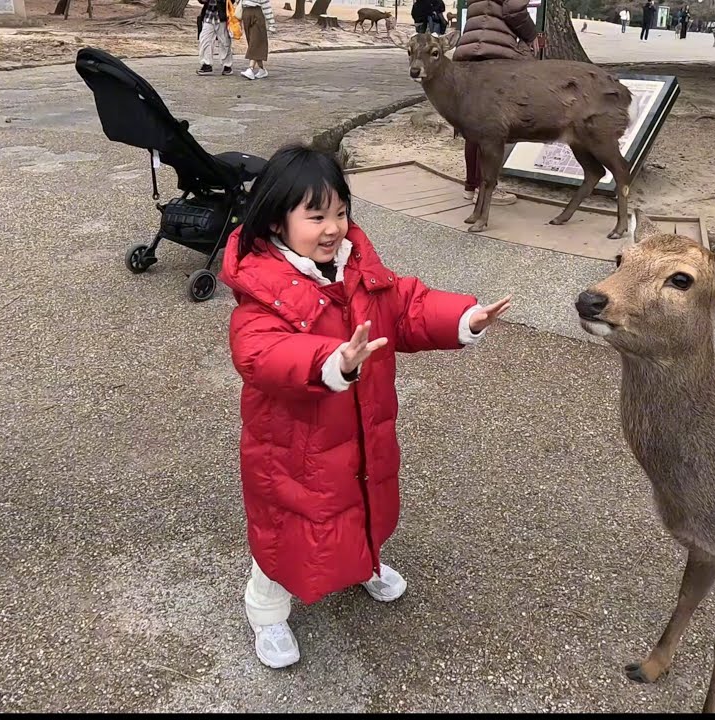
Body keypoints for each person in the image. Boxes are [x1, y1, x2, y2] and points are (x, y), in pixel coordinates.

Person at [218, 144, 513, 669]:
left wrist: (462, 318)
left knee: (362, 502)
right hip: (292, 449)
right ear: (278, 223)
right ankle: (266, 610)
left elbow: (407, 306)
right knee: (289, 530)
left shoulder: (360, 271)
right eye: (315, 216)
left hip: (362, 433)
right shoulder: (264, 292)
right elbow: (260, 352)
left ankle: (364, 563)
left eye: (339, 212)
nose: (332, 227)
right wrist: (334, 360)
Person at [453, 0, 540, 207]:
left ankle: (470, 187)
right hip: (493, 55)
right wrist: (531, 34)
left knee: (474, 126)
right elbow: (514, 9)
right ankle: (486, 189)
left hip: (468, 52)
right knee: (489, 128)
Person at [196, 0, 234, 76]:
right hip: (208, 15)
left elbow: (231, 1)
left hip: (222, 15)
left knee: (224, 42)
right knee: (205, 40)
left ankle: (227, 65)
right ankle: (207, 64)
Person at [239, 0, 274, 80]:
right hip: (246, 12)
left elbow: (266, 5)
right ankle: (262, 69)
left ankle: (250, 68)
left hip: (256, 13)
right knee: (251, 41)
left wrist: (271, 23)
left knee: (256, 40)